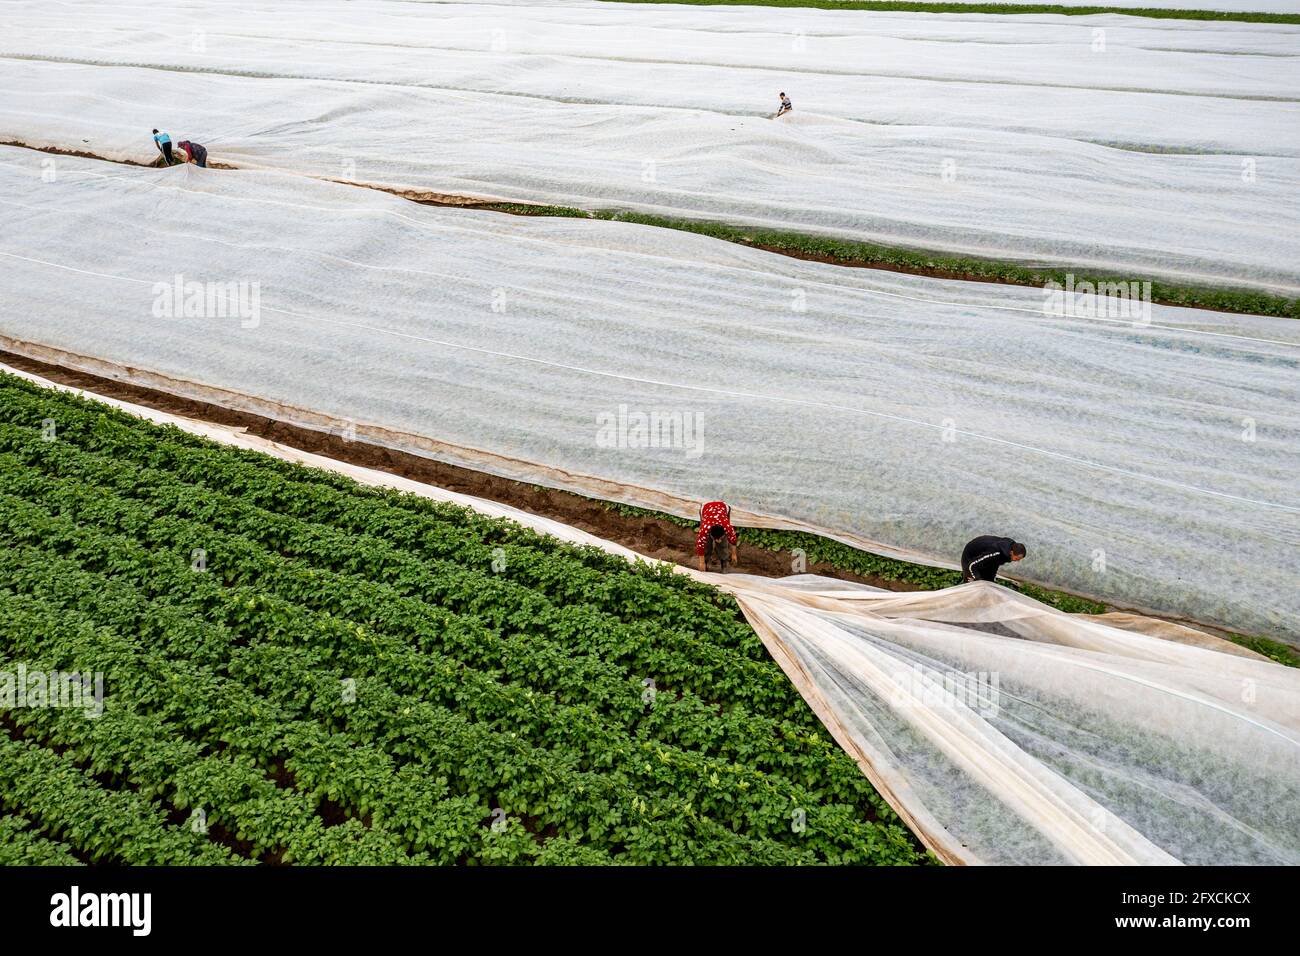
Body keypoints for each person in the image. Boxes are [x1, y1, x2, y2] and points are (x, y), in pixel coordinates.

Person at [960, 535, 1026, 583]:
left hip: (983, 560)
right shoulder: (995, 552)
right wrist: (977, 579)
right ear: (1011, 552)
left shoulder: (1008, 551)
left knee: (988, 584)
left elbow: (994, 564)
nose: (1018, 561)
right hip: (971, 559)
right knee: (974, 586)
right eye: (1017, 558)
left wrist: (991, 580)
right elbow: (972, 565)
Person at [695, 500, 738, 572]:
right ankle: (705, 562)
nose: (719, 540)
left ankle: (724, 562)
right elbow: (700, 545)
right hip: (706, 507)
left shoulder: (727, 526)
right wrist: (701, 563)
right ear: (711, 534)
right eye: (716, 538)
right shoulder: (704, 529)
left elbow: (733, 540)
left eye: (720, 537)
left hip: (723, 507)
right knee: (706, 544)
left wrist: (734, 554)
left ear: (724, 532)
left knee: (723, 543)